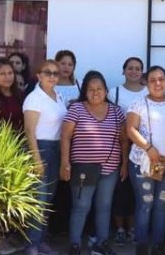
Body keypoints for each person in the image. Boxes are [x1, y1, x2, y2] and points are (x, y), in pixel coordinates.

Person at [61, 72, 127, 255]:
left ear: (106, 91)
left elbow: (124, 140)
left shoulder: (116, 111)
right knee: (81, 206)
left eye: (99, 89)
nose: (95, 92)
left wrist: (124, 164)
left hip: (110, 169)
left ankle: (101, 243)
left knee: (104, 207)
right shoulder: (76, 109)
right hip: (83, 168)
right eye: (91, 89)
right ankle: (75, 245)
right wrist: (65, 163)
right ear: (85, 91)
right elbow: (65, 137)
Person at [126, 67, 165, 255]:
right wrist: (149, 149)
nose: (157, 83)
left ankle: (158, 246)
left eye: (161, 79)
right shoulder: (138, 104)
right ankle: (141, 247)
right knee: (145, 204)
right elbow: (131, 130)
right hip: (143, 163)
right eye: (152, 80)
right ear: (146, 83)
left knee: (161, 205)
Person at [22, 61, 67, 255]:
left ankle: (41, 241)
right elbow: (29, 131)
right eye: (48, 72)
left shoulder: (58, 96)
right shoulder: (34, 98)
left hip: (55, 149)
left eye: (56, 73)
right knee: (38, 200)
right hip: (39, 148)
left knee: (47, 199)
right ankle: (31, 244)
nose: (52, 76)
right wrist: (36, 159)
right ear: (39, 75)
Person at [112, 57, 147, 245]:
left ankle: (133, 229)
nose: (134, 71)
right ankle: (119, 229)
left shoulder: (149, 91)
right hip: (119, 146)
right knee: (120, 189)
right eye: (130, 68)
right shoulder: (114, 92)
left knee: (137, 191)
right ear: (123, 70)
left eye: (138, 68)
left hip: (144, 148)